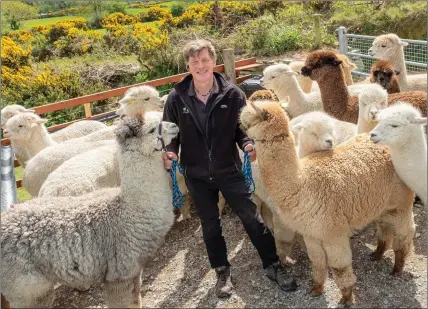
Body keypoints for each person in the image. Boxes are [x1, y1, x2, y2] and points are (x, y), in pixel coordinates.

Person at [162, 39, 297, 298]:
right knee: (211, 224)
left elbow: (241, 128)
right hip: (196, 174)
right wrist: (169, 150)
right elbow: (169, 129)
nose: (200, 66)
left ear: (213, 62)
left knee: (251, 218)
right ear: (188, 65)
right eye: (194, 62)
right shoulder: (177, 97)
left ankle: (273, 264)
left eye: (204, 60)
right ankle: (222, 270)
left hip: (229, 170)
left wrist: (247, 144)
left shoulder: (233, 94)